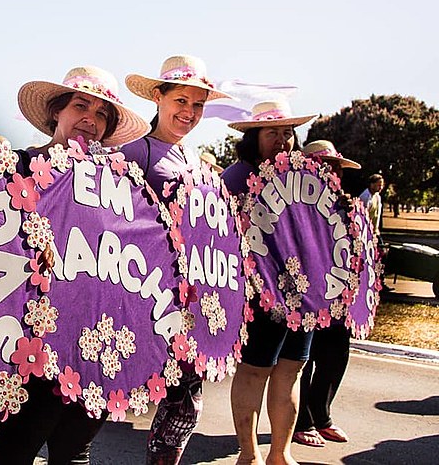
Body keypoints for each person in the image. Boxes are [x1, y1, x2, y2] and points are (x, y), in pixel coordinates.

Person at [0, 65, 149, 465]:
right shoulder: (16, 167)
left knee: (76, 450)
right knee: (18, 447)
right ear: (56, 112)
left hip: (90, 344)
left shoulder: (118, 189)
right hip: (29, 343)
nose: (90, 120)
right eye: (81, 106)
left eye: (101, 115)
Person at [120, 55, 232, 465]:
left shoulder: (199, 162)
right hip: (141, 294)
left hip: (191, 301)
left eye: (198, 105)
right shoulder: (134, 151)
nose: (189, 112)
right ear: (157, 96)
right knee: (102, 399)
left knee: (185, 405)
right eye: (181, 100)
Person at [221, 99, 317, 465]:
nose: (282, 139)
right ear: (253, 137)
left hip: (303, 297)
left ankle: (281, 452)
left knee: (291, 370)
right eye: (272, 132)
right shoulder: (235, 178)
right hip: (258, 296)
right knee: (255, 370)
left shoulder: (305, 178)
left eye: (288, 132)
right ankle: (249, 453)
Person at [291, 140, 360, 448]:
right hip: (305, 295)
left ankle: (322, 414)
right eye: (324, 166)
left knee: (335, 357)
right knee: (303, 359)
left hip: (338, 294)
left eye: (335, 167)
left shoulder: (346, 204)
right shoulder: (295, 201)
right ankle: (301, 421)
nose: (331, 172)